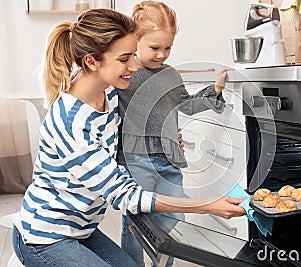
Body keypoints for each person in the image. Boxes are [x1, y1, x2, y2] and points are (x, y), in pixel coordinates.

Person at [11, 8, 245, 267]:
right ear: (91, 61)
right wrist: (206, 204)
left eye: (133, 54)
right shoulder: (70, 121)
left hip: (84, 230)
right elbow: (125, 195)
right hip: (45, 237)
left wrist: (163, 137)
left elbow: (136, 121)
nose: (134, 66)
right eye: (125, 58)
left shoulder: (109, 96)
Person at [116, 1, 233, 266]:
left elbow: (188, 105)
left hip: (169, 159)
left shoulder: (170, 75)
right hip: (135, 159)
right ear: (135, 40)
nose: (161, 55)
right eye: (154, 48)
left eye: (167, 48)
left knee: (173, 219)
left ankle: (164, 264)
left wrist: (214, 89)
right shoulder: (124, 73)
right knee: (136, 218)